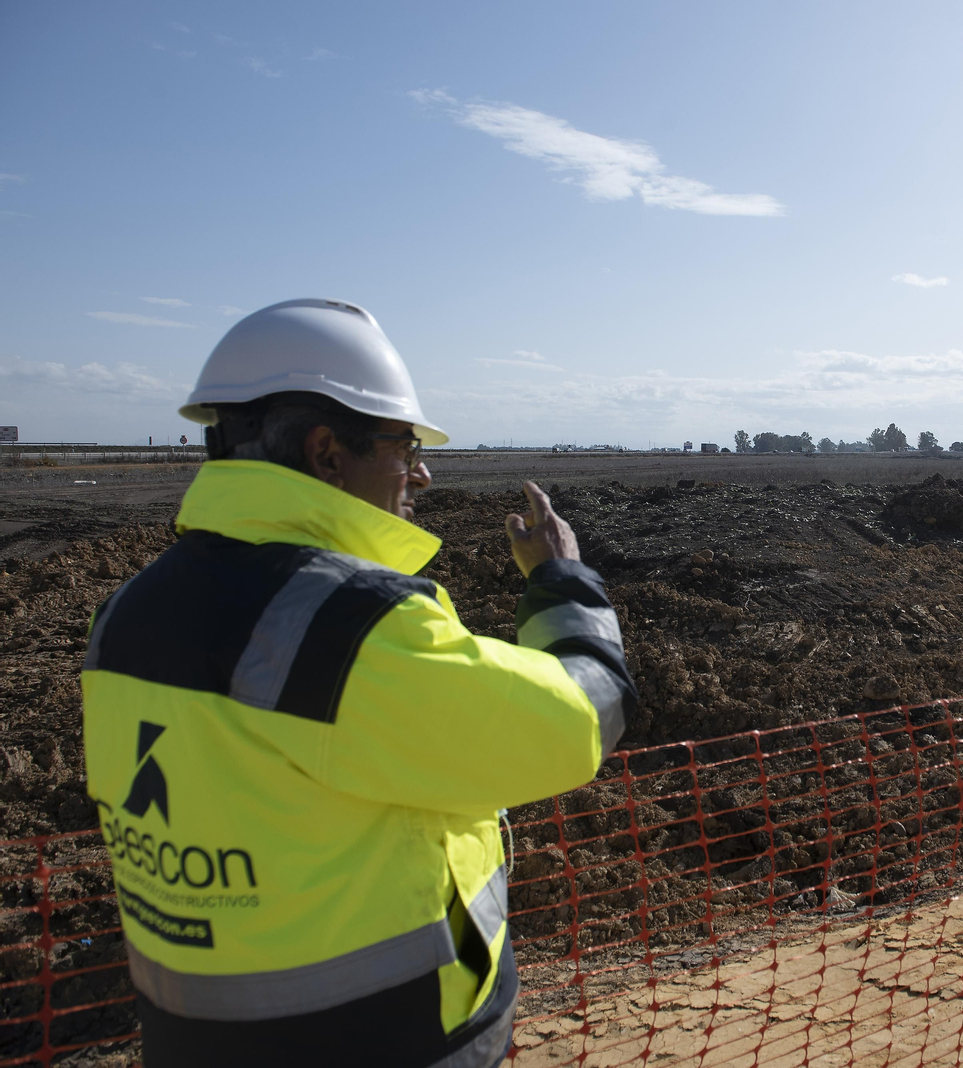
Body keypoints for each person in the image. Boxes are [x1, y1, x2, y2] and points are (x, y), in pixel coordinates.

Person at [82, 298, 636, 1067]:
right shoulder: (349, 627)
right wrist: (563, 585)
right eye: (404, 446)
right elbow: (574, 722)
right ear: (327, 453)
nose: (422, 472)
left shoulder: (127, 612)